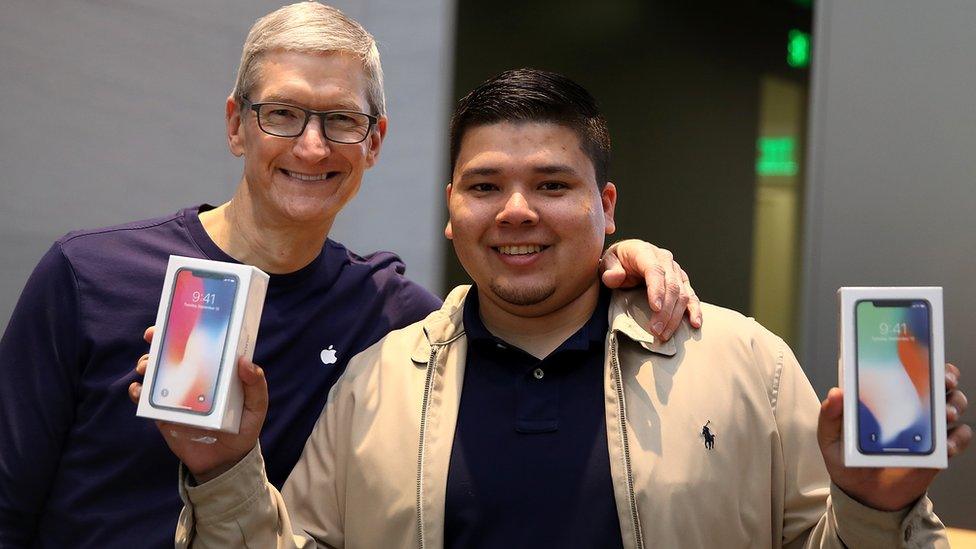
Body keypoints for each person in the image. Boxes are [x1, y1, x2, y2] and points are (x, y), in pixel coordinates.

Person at [147, 68, 971, 548]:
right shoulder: (379, 382)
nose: (515, 211)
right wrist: (222, 472)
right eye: (484, 186)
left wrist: (879, 509)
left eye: (551, 185)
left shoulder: (745, 364)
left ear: (607, 205)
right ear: (450, 208)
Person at [0, 4, 699, 548]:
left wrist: (614, 260)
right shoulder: (89, 275)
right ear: (237, 125)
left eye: (339, 119)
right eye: (283, 113)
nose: (311, 145)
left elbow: (524, 301)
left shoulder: (391, 320)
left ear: (375, 142)